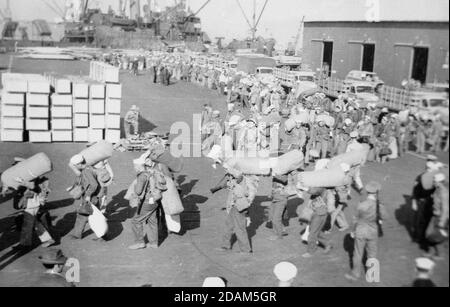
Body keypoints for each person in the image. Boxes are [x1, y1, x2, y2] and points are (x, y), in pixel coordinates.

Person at [345, 181, 387, 281]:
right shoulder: (379, 205)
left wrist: (353, 231)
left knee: (358, 253)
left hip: (360, 230)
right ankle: (372, 275)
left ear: (368, 192)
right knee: (372, 253)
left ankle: (355, 274)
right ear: (376, 193)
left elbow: (355, 219)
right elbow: (385, 217)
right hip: (373, 231)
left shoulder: (361, 204)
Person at [128, 158, 167, 250]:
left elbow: (138, 191)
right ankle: (153, 243)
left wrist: (133, 191)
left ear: (138, 166)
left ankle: (139, 242)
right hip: (155, 200)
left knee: (136, 221)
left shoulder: (142, 176)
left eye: (135, 167)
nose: (134, 168)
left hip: (146, 201)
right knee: (152, 220)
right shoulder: (151, 172)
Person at [68, 155, 103, 241]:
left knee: (84, 215)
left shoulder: (86, 171)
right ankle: (102, 235)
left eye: (75, 166)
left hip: (91, 197)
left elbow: (94, 184)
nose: (75, 168)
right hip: (94, 196)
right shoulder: (88, 168)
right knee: (93, 216)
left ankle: (78, 235)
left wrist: (88, 195)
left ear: (79, 164)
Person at [217, 169, 252, 254]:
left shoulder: (242, 177)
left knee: (239, 228)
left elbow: (239, 176)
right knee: (229, 225)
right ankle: (225, 245)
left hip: (240, 205)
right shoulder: (233, 178)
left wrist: (230, 170)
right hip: (234, 205)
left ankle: (246, 250)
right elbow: (226, 185)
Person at [15, 176, 55, 249]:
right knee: (35, 223)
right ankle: (48, 239)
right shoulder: (37, 180)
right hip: (34, 205)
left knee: (27, 225)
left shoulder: (34, 182)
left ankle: (25, 244)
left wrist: (21, 181)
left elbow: (32, 186)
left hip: (32, 206)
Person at [302, 187, 333, 258]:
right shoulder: (319, 188)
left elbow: (312, 191)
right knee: (316, 233)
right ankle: (327, 243)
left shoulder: (322, 189)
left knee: (312, 234)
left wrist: (303, 187)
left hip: (319, 215)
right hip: (316, 213)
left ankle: (311, 251)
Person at [423, 173, 449, 260]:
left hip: (440, 217)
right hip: (435, 215)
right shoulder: (437, 189)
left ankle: (440, 254)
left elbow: (445, 209)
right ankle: (431, 252)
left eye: (435, 180)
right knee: (430, 234)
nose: (433, 182)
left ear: (439, 182)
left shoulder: (444, 193)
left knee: (434, 235)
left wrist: (442, 222)